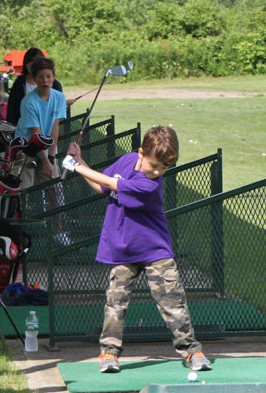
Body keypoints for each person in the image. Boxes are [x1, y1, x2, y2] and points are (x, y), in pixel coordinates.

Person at [62, 125, 212, 374]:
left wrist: (75, 166)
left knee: (172, 300)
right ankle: (108, 354)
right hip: (122, 248)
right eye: (154, 165)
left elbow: (111, 183)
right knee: (115, 302)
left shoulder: (150, 186)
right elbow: (101, 186)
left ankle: (190, 351)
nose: (158, 172)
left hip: (155, 250)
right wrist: (79, 160)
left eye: (164, 168)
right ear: (140, 152)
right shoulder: (128, 160)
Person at [12, 57, 66, 189]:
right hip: (27, 148)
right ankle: (22, 209)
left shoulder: (59, 97)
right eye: (41, 77)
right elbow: (36, 135)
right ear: (35, 79)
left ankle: (58, 211)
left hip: (46, 148)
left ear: (54, 77)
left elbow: (55, 127)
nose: (45, 80)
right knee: (24, 188)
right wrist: (46, 161)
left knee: (55, 187)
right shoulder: (28, 102)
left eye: (48, 76)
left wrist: (51, 158)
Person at [5, 47, 64, 125]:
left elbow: (58, 115)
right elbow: (12, 109)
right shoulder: (20, 83)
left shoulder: (55, 85)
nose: (45, 81)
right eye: (30, 68)